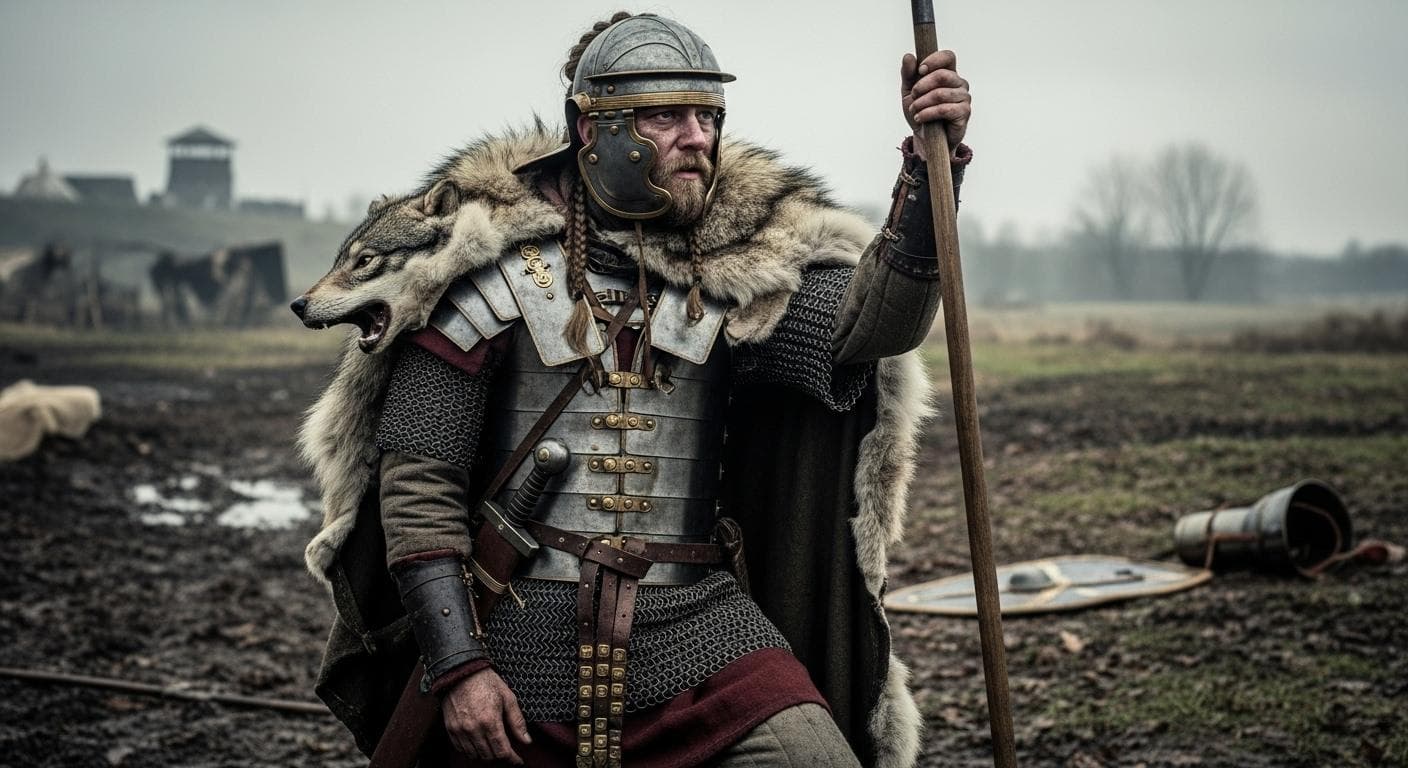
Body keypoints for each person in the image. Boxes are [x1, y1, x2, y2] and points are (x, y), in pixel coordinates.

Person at [294, 11, 971, 768]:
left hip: (697, 624)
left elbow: (870, 331)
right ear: (591, 128)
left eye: (708, 116)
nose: (698, 137)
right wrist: (459, 667)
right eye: (666, 116)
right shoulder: (483, 277)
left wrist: (927, 173)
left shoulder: (736, 265)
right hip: (514, 629)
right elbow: (418, 484)